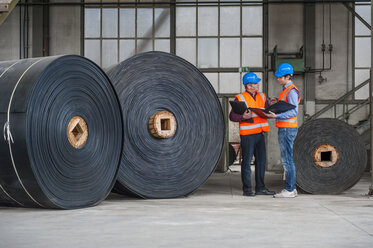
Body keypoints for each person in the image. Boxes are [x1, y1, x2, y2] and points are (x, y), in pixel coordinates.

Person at [229, 72, 275, 197]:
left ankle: (261, 188)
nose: (258, 85)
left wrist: (272, 105)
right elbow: (232, 116)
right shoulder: (240, 98)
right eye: (255, 83)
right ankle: (247, 189)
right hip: (248, 135)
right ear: (248, 86)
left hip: (260, 134)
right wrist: (243, 116)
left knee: (261, 161)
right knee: (247, 162)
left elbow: (267, 110)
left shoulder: (262, 96)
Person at [266, 63, 300, 198]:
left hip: (287, 129)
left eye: (280, 77)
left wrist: (277, 115)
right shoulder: (285, 90)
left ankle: (289, 189)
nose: (278, 79)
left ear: (287, 76)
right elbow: (286, 106)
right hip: (285, 128)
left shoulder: (291, 90)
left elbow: (294, 111)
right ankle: (292, 188)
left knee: (287, 160)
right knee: (287, 159)